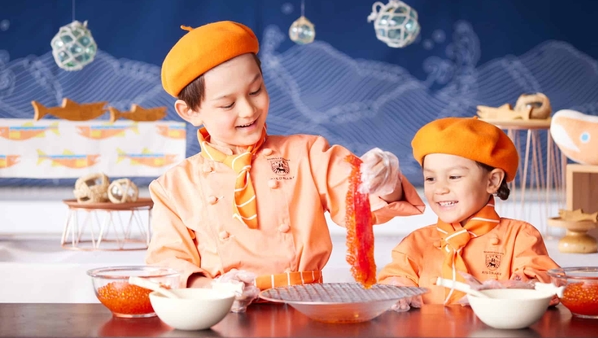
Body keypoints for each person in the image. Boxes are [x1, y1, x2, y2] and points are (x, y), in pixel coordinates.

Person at [146, 21, 425, 298]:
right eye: (227, 104)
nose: (248, 110)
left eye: (255, 91)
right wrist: (212, 288)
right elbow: (168, 262)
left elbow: (360, 198)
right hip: (224, 308)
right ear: (190, 111)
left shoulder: (308, 154)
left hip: (305, 302)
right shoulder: (173, 187)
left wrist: (384, 181)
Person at [377, 117, 560, 310]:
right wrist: (397, 290)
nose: (440, 189)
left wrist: (515, 288)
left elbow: (548, 283)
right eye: (430, 178)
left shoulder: (519, 236)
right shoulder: (416, 243)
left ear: (492, 181)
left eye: (454, 176)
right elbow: (393, 280)